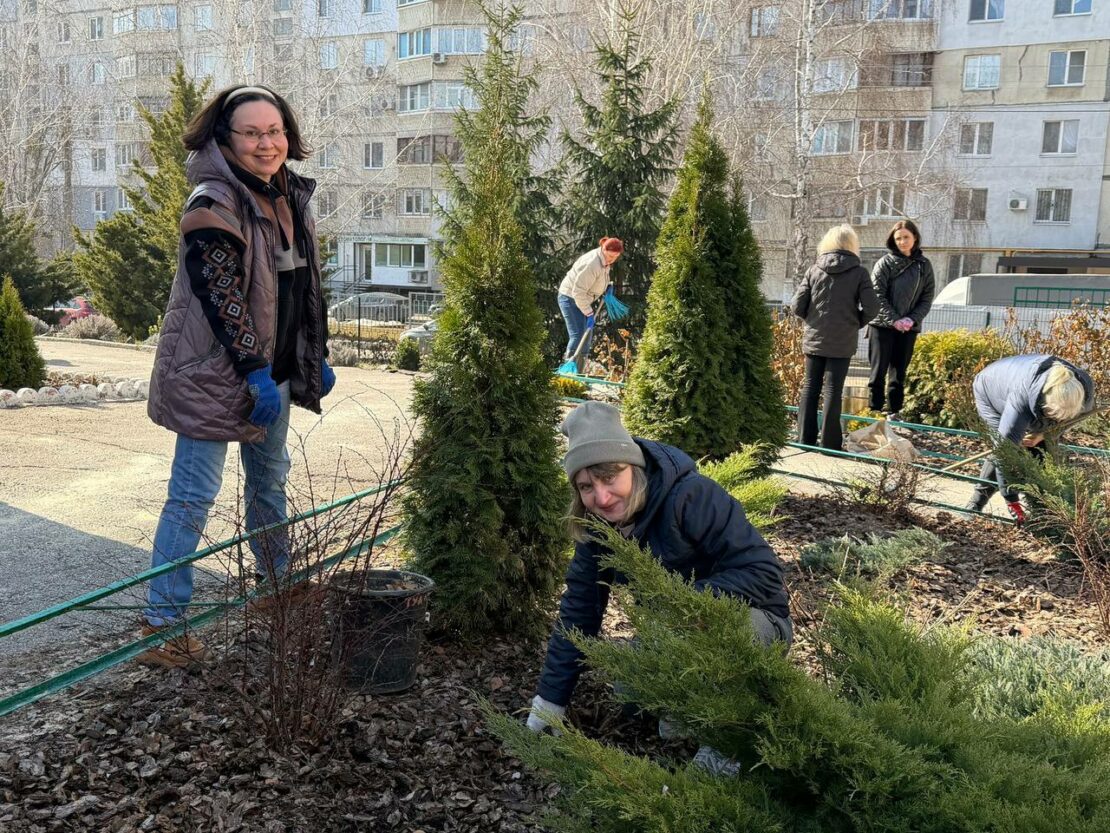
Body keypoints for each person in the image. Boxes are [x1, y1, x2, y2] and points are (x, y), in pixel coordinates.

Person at [139, 85, 335, 668]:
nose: (266, 143)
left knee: (269, 484)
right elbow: (221, 295)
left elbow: (300, 288)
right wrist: (253, 370)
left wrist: (312, 355)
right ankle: (163, 626)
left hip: (273, 376)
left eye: (274, 131)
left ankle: (275, 586)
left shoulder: (287, 195)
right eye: (251, 133)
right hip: (213, 376)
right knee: (192, 497)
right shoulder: (214, 200)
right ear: (225, 138)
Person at [526, 402, 792, 771]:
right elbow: (580, 609)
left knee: (725, 637)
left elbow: (763, 571)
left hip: (755, 622)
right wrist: (550, 700)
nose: (601, 497)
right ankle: (688, 706)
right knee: (630, 688)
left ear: (632, 467)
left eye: (609, 477)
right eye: (586, 486)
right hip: (673, 629)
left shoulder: (692, 496)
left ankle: (728, 741)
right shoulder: (599, 526)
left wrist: (682, 603)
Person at [964, 355, 1096, 522]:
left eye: (1065, 415)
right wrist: (1012, 500)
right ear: (1045, 403)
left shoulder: (1083, 391)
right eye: (1055, 414)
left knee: (1042, 449)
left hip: (1032, 397)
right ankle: (975, 505)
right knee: (1007, 449)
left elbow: (1075, 418)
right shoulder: (1020, 400)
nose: (1060, 419)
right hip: (990, 390)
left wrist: (1044, 434)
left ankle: (1041, 511)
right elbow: (1004, 453)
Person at [791, 224, 879, 450]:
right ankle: (830, 444)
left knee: (810, 388)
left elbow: (796, 306)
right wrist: (855, 322)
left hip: (814, 339)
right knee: (833, 390)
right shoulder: (859, 273)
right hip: (843, 341)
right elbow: (872, 308)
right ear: (852, 244)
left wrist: (814, 321)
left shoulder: (814, 270)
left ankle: (804, 440)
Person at [867, 219, 934, 419]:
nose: (902, 242)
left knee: (899, 374)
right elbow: (877, 295)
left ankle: (894, 412)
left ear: (915, 238)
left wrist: (911, 320)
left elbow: (927, 298)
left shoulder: (924, 265)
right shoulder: (884, 263)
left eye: (906, 237)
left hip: (908, 328)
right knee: (878, 373)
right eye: (898, 238)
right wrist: (894, 319)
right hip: (882, 326)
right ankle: (874, 412)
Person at [557, 238, 625, 373]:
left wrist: (606, 287)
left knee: (586, 338)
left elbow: (597, 279)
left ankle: (578, 373)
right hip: (570, 298)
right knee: (578, 336)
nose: (612, 260)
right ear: (603, 249)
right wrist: (589, 313)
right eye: (610, 256)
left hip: (582, 300)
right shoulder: (592, 263)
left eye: (615, 257)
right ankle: (568, 373)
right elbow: (578, 292)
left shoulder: (604, 260)